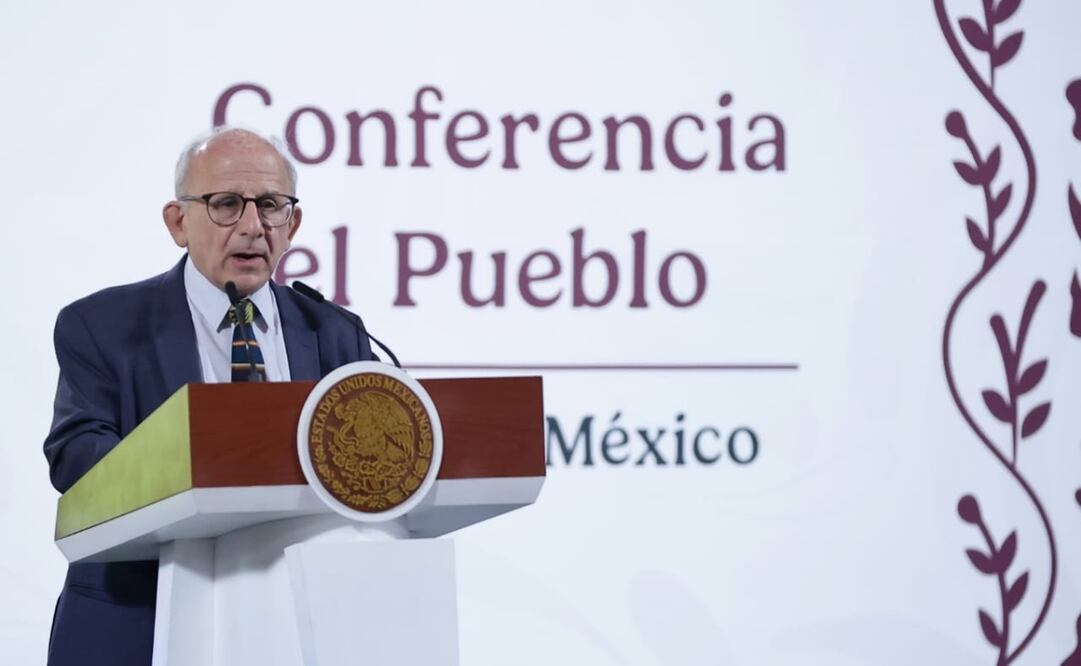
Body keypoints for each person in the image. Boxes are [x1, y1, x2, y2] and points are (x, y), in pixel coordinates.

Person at [42, 127, 375, 666]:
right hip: (138, 616)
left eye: (270, 206)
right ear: (178, 222)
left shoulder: (335, 331)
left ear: (293, 224)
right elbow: (77, 460)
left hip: (295, 619)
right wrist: (205, 464)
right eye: (226, 205)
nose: (252, 226)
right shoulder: (101, 325)